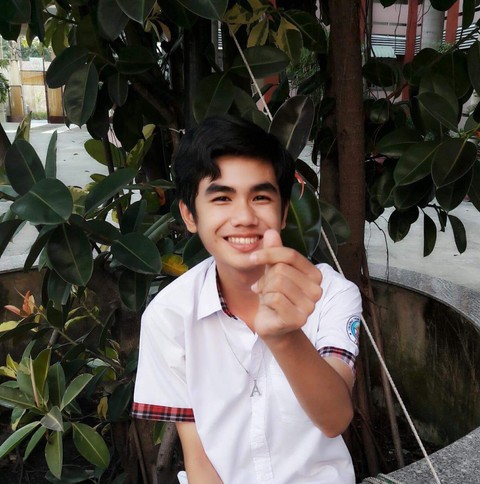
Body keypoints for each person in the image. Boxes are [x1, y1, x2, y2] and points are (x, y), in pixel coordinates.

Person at [132, 115, 362, 483]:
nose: (243, 217)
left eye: (260, 197)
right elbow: (198, 457)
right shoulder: (168, 315)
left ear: (283, 212)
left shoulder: (331, 293)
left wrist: (284, 336)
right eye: (222, 198)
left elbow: (335, 419)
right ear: (190, 215)